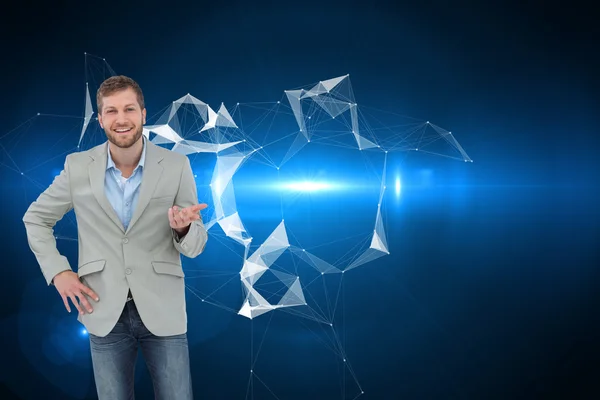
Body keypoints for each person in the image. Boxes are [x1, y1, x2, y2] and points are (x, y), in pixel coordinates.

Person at [22, 75, 208, 400]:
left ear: (143, 114)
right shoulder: (78, 167)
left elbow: (196, 246)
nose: (121, 119)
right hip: (102, 307)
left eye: (129, 109)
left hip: (163, 307)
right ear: (100, 118)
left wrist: (183, 229)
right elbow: (36, 218)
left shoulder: (177, 165)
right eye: (111, 111)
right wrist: (58, 272)